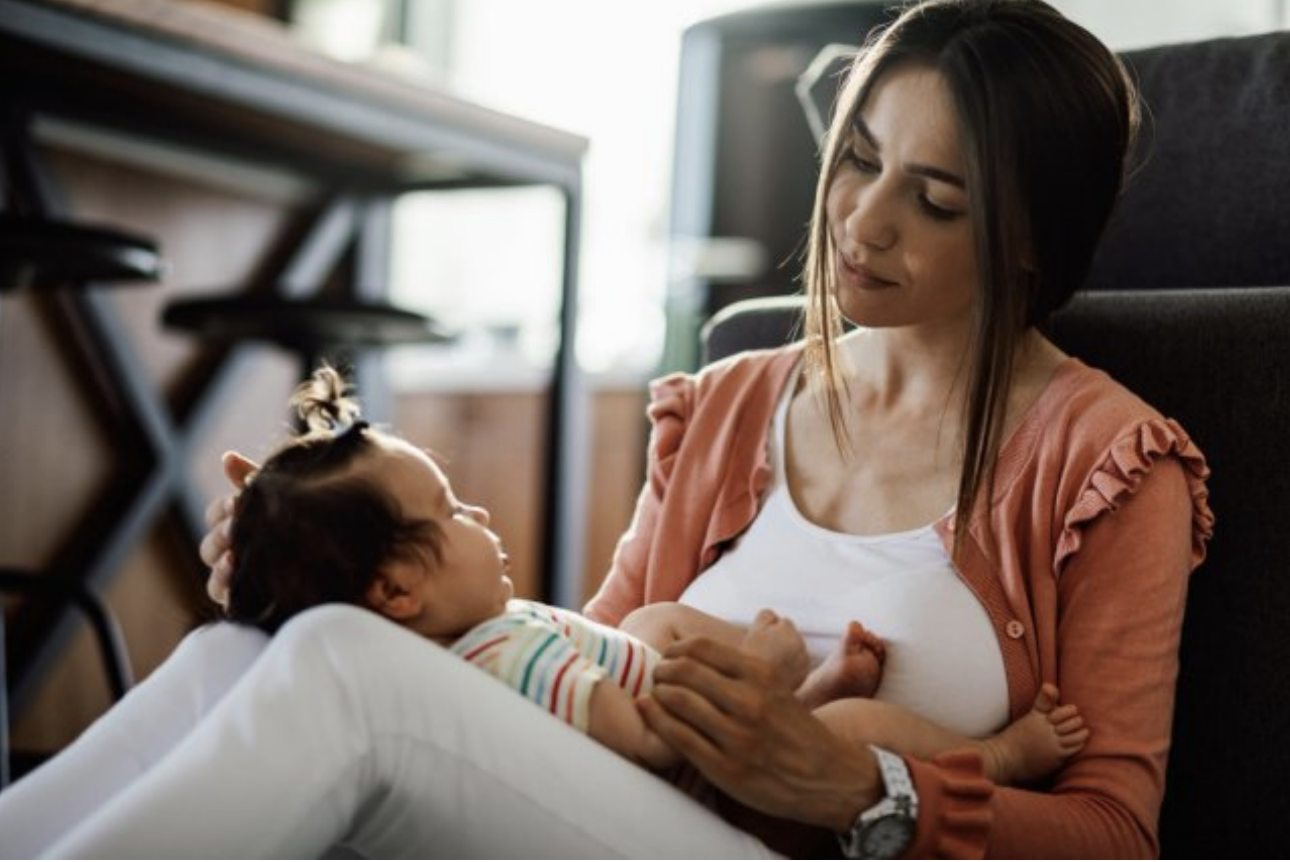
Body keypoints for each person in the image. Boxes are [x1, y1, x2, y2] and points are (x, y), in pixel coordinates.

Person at [0, 0, 1211, 857]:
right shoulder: (737, 395)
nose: (862, 224)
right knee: (246, 651)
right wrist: (328, 567)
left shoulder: (1108, 464)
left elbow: (1112, 831)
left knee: (342, 671)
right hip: (637, 809)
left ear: (1030, 241)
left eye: (934, 200)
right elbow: (574, 654)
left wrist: (866, 786)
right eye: (857, 160)